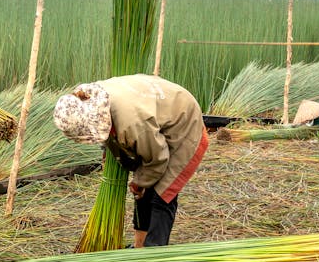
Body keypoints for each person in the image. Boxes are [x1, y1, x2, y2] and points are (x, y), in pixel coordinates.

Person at [52, 75, 208, 247]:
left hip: (183, 120)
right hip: (151, 112)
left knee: (162, 193)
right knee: (142, 192)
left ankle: (154, 254)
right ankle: (139, 246)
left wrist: (140, 182)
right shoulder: (86, 98)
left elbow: (157, 160)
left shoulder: (132, 124)